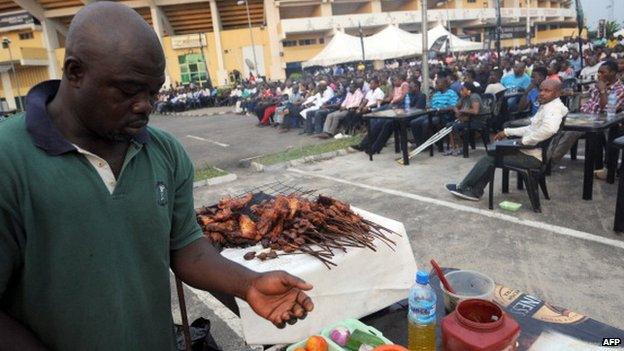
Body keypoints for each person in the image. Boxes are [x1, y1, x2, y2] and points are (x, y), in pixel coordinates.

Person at [0, 3, 314, 350]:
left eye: (153, 92)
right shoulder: (8, 160)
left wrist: (248, 283)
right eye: (128, 90)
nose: (144, 106)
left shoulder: (165, 153)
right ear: (75, 72)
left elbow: (186, 249)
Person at [445, 79, 568, 201]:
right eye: (541, 90)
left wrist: (525, 141)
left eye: (547, 91)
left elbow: (549, 129)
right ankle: (474, 190)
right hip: (533, 152)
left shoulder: (553, 108)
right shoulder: (548, 105)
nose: (542, 93)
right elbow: (531, 128)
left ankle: (464, 187)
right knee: (494, 151)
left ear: (557, 93)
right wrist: (507, 132)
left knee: (489, 158)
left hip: (533, 157)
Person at [409, 75, 459, 147]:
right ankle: (420, 144)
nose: (436, 85)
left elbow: (453, 106)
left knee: (426, 123)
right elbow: (429, 105)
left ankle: (428, 145)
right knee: (414, 122)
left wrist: (439, 109)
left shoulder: (451, 93)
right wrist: (428, 106)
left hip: (444, 115)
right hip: (431, 114)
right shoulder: (436, 94)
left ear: (444, 84)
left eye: (437, 83)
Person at [446, 82, 485, 156]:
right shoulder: (464, 97)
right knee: (449, 125)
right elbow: (455, 106)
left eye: (463, 89)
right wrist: (457, 112)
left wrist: (461, 111)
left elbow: (475, 111)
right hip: (467, 119)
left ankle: (461, 147)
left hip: (477, 120)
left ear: (469, 90)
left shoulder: (474, 96)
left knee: (455, 126)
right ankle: (454, 147)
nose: (461, 91)